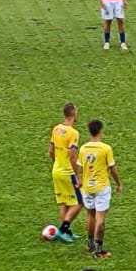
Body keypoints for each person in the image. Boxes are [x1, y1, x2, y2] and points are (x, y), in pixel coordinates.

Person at [79, 118, 122, 259]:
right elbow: (113, 168)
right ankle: (98, 251)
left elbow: (79, 167)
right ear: (101, 130)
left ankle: (90, 243)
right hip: (101, 187)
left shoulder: (83, 149)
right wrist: (118, 183)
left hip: (87, 187)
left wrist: (80, 181)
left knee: (90, 215)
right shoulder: (105, 149)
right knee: (100, 219)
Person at [49, 102, 83, 244]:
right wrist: (77, 175)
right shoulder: (73, 133)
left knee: (65, 202)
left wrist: (57, 163)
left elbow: (51, 151)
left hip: (56, 170)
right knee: (79, 202)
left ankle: (67, 233)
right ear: (74, 114)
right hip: (68, 172)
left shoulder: (56, 129)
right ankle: (63, 229)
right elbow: (72, 155)